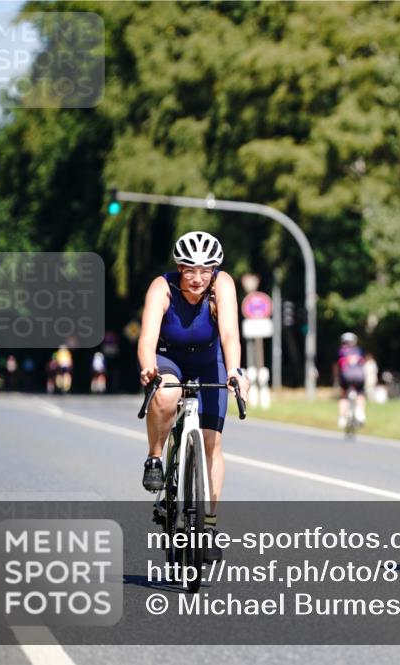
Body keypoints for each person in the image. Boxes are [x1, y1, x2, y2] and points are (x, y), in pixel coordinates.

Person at [137, 230, 250, 562]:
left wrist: (235, 371)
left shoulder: (222, 285)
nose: (198, 278)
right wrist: (147, 367)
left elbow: (230, 334)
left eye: (206, 270)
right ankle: (155, 457)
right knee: (167, 395)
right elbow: (146, 338)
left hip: (209, 359)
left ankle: (209, 525)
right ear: (179, 267)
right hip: (168, 357)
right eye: (190, 270)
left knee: (212, 442)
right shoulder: (162, 288)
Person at [334, 332, 366, 427]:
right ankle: (360, 412)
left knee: (344, 396)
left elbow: (336, 367)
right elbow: (363, 364)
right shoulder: (360, 351)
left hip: (346, 377)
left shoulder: (340, 352)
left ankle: (342, 418)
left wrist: (336, 378)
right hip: (359, 377)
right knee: (360, 394)